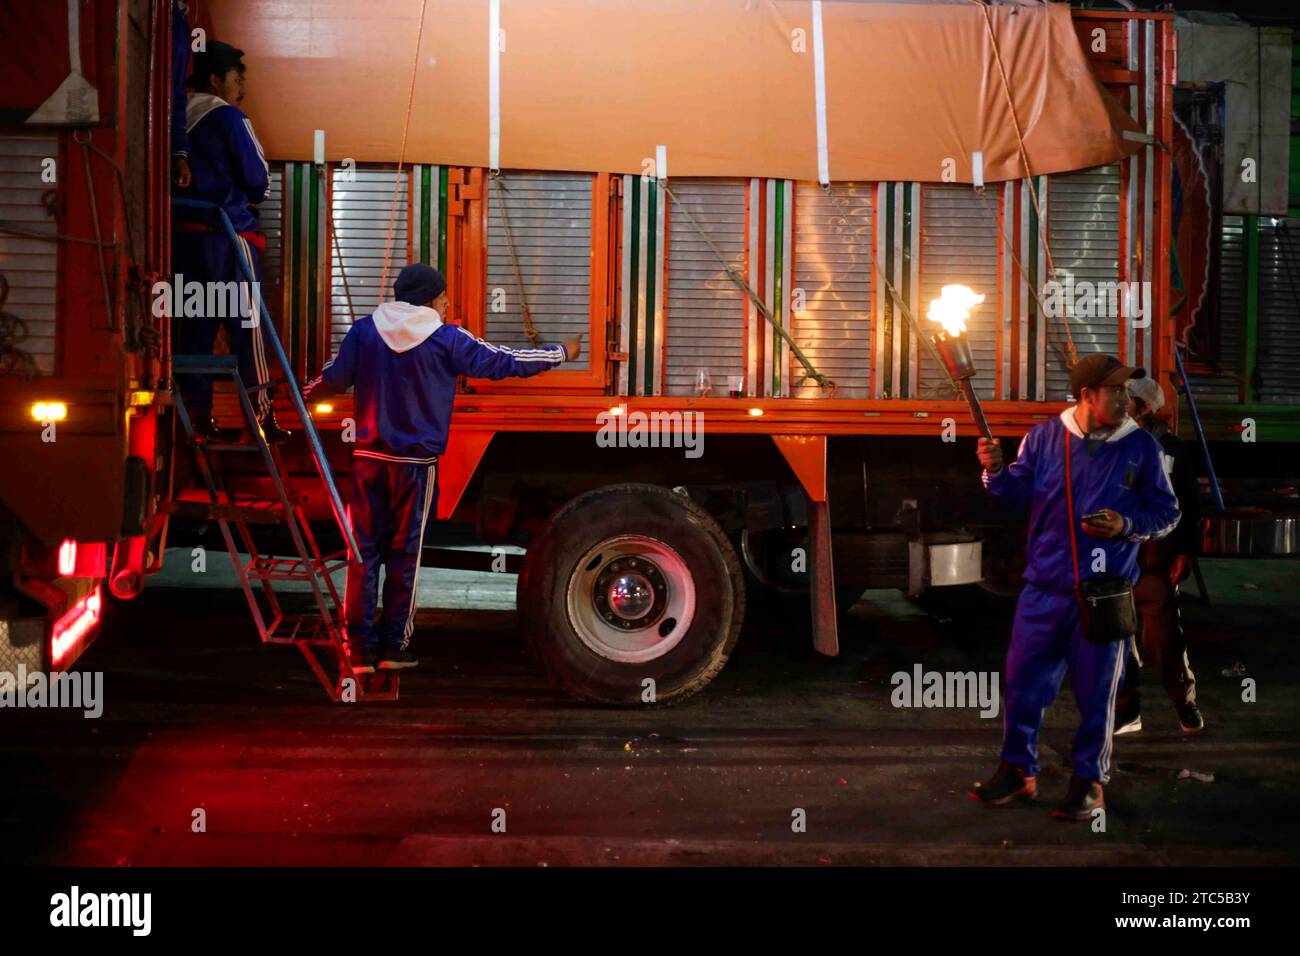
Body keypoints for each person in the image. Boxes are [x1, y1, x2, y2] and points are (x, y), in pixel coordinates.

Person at [305, 264, 581, 674]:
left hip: (368, 461)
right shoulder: (445, 337)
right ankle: (393, 647)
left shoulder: (364, 332)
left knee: (362, 554)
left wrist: (301, 394)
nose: (448, 301)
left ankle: (358, 648)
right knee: (404, 556)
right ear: (431, 298)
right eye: (444, 295)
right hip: (414, 466)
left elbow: (334, 378)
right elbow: (501, 361)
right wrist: (560, 352)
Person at [971, 354, 1181, 820]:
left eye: (1127, 391)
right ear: (1086, 395)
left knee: (1097, 694)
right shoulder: (1044, 438)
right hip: (1043, 590)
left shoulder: (1142, 448)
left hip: (1104, 596)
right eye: (1115, 391)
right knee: (1023, 687)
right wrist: (996, 472)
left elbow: (1167, 513)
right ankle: (1018, 772)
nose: (1125, 400)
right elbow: (1016, 496)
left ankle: (1089, 781)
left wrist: (1126, 523)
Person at [173, 40, 289, 442]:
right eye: (237, 78)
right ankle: (261, 419)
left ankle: (198, 421)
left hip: (182, 242)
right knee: (248, 328)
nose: (242, 88)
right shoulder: (228, 117)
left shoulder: (171, 122)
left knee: (196, 330)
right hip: (229, 237)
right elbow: (259, 181)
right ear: (215, 80)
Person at [1113, 376, 1204, 735]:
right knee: (1118, 641)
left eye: (1128, 399)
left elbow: (1190, 507)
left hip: (1155, 560)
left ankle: (1186, 705)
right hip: (1119, 560)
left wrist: (1185, 552)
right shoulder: (1111, 445)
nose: (1121, 404)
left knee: (1163, 641)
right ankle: (1127, 712)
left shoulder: (1173, 451)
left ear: (1145, 408)